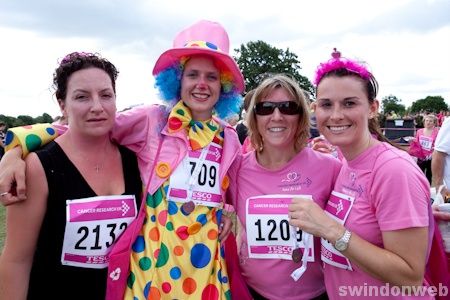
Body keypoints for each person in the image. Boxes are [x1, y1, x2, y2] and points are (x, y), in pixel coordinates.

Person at [0, 20, 245, 300]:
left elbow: (225, 187)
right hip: (153, 265)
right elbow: (88, 126)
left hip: (205, 266)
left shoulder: (229, 138)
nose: (201, 84)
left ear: (223, 86)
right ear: (178, 80)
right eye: (193, 75)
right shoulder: (151, 120)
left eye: (212, 77)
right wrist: (17, 145)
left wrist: (225, 209)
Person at [288, 49, 434, 299]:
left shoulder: (393, 170)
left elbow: (410, 277)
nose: (336, 115)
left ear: (373, 108)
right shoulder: (346, 161)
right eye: (326, 105)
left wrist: (331, 229)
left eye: (349, 103)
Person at [0, 52, 142, 299]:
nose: (97, 107)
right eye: (82, 97)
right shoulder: (39, 167)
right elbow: (16, 261)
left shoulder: (136, 160)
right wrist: (12, 152)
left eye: (106, 95)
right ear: (62, 104)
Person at [228, 74, 341, 299]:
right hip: (251, 292)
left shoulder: (330, 168)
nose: (277, 116)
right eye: (266, 108)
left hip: (316, 293)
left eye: (288, 107)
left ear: (300, 117)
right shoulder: (236, 168)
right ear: (254, 117)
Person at [409, 114, 439, 183]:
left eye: (430, 121)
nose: (428, 122)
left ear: (434, 123)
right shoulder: (419, 131)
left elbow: (438, 145)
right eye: (426, 121)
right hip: (420, 156)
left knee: (429, 175)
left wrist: (432, 153)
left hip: (431, 157)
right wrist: (412, 141)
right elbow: (416, 142)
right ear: (424, 122)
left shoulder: (437, 132)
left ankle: (428, 190)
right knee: (420, 174)